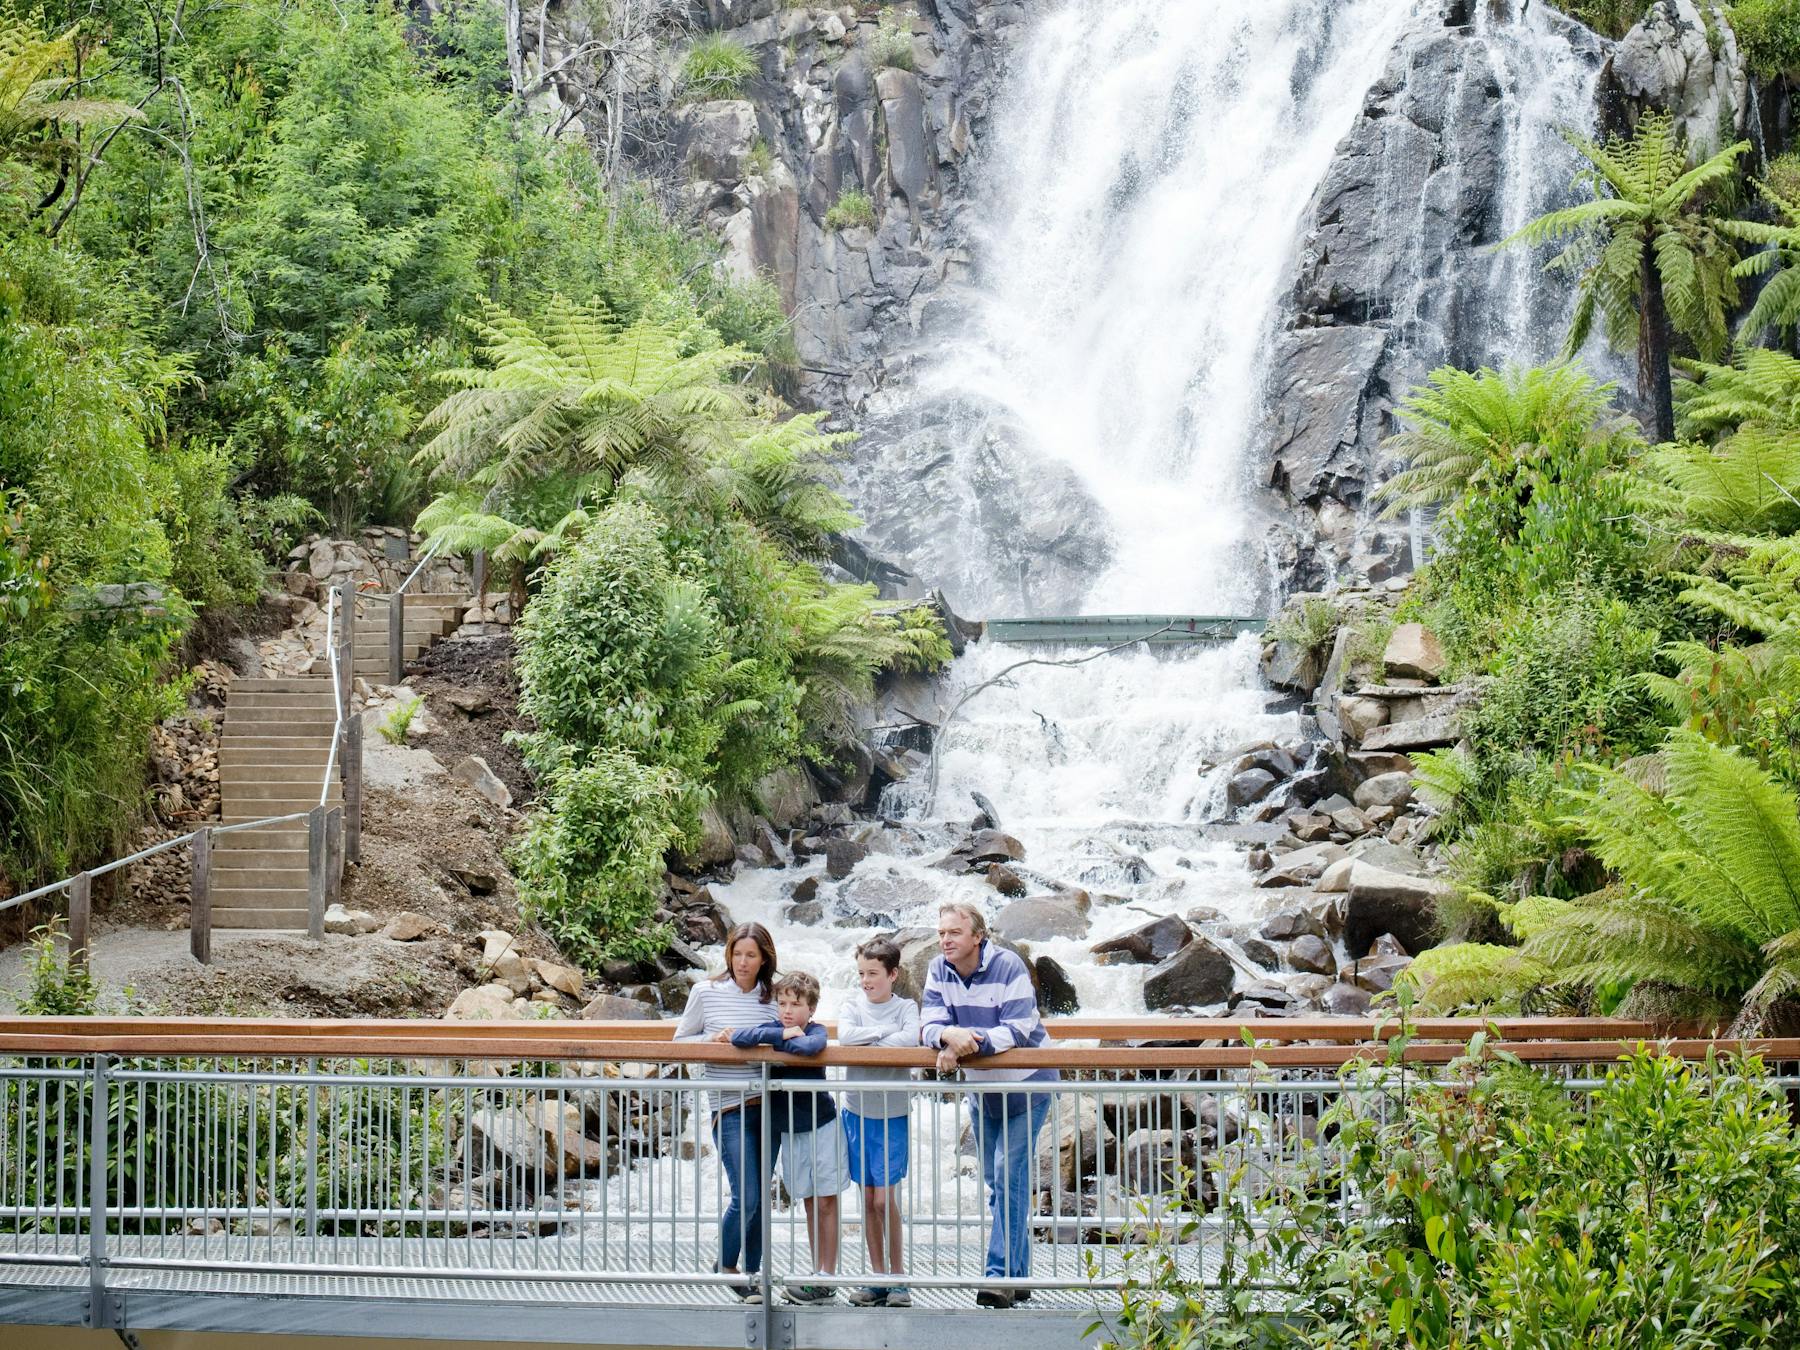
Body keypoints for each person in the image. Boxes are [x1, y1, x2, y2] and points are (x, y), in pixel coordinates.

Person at [920, 901, 1057, 1309]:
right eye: (941, 933)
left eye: (954, 933)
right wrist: (948, 1037)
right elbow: (928, 1024)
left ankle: (997, 1277)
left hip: (1027, 1085)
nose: (945, 940)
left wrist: (963, 1043)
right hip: (983, 1089)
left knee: (1008, 1173)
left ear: (977, 936)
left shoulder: (1008, 965)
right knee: (998, 1182)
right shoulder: (938, 969)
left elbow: (1017, 1029)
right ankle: (1020, 1274)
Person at [673, 922, 780, 1303]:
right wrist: (713, 1040)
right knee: (746, 1194)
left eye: (751, 955)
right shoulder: (706, 992)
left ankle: (753, 1273)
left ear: (764, 958)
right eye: (737, 954)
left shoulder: (775, 998)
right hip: (729, 1107)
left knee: (761, 1198)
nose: (743, 962)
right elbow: (680, 1042)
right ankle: (726, 1265)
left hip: (769, 1105)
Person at [730, 971, 849, 1305]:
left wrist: (776, 1042)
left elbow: (812, 1047)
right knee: (809, 1201)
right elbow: (739, 1037)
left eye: (795, 1005)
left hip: (821, 1124)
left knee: (826, 1200)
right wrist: (780, 1034)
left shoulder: (815, 1030)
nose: (787, 1010)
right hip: (790, 1130)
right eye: (782, 1003)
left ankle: (827, 1275)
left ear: (810, 1008)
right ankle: (817, 1273)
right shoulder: (775, 1028)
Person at [837, 937, 921, 1309]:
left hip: (892, 1114)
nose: (866, 981)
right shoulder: (852, 1004)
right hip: (857, 1112)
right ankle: (878, 1277)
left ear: (892, 974)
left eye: (873, 973)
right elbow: (845, 1037)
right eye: (861, 973)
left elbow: (910, 1039)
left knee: (886, 1199)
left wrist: (870, 1042)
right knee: (869, 1199)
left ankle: (898, 1276)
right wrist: (883, 1035)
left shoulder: (906, 1007)